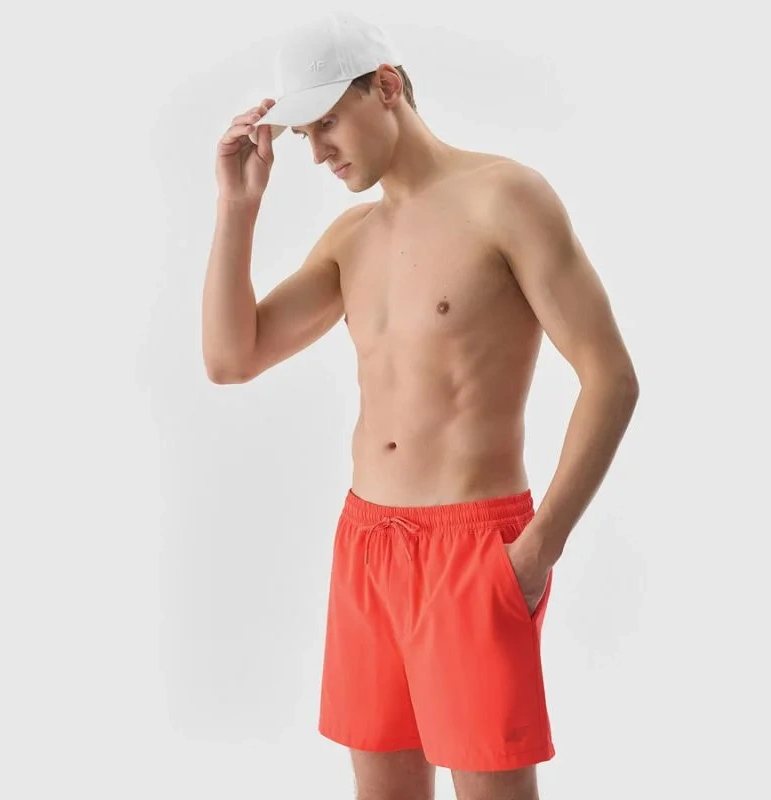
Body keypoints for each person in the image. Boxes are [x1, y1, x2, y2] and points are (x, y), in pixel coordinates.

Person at [202, 11, 639, 800]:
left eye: (327, 123)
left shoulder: (504, 197)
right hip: (367, 544)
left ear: (386, 87)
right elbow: (231, 360)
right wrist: (238, 209)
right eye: (304, 135)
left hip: (475, 551)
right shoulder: (350, 239)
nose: (317, 152)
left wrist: (539, 549)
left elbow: (610, 377)